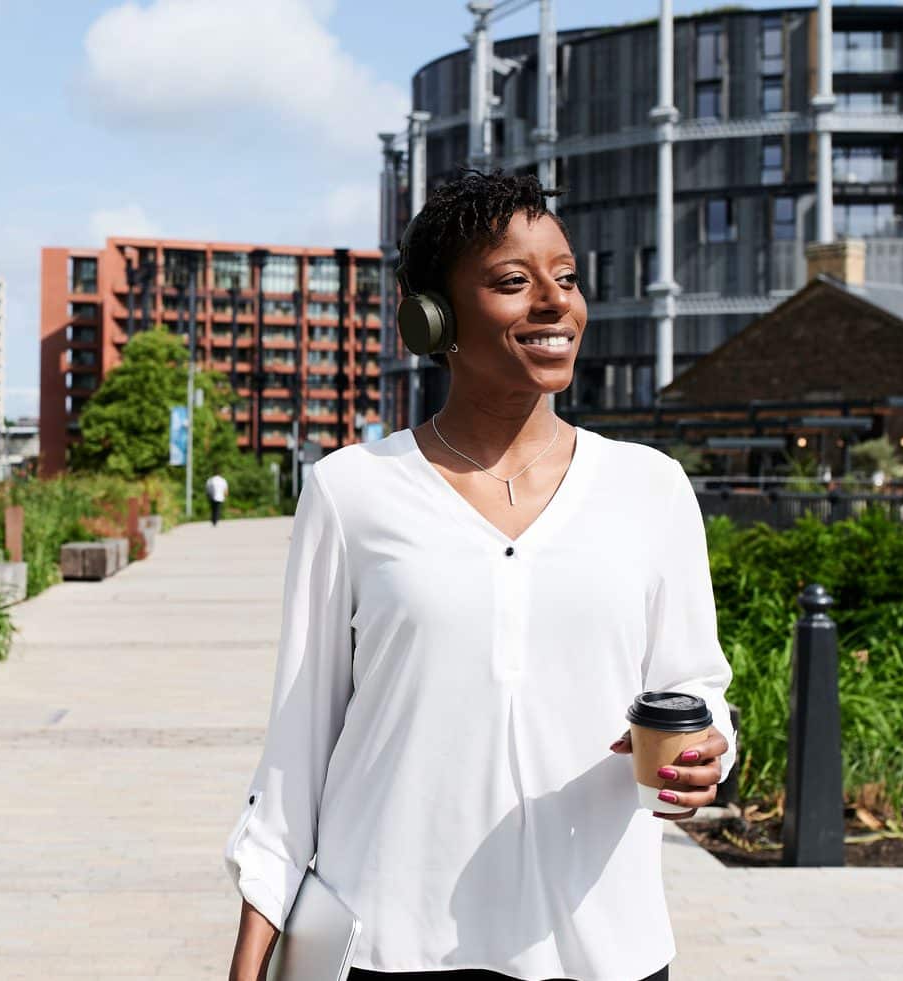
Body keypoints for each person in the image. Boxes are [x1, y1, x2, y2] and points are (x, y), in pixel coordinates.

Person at [224, 171, 734, 981]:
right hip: (390, 945)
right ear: (433, 316)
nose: (552, 302)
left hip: (601, 947)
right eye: (511, 281)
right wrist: (252, 957)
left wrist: (707, 745)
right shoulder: (350, 491)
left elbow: (693, 688)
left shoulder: (650, 488)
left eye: (565, 278)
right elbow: (298, 749)